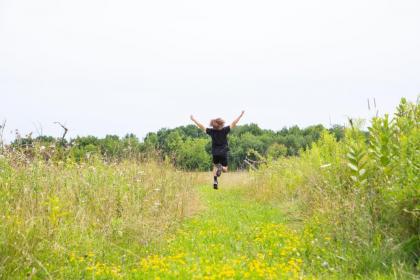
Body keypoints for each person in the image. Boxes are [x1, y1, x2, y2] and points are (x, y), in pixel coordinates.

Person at [190, 111, 245, 189]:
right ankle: (221, 168)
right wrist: (241, 115)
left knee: (215, 166)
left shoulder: (211, 131)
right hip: (223, 152)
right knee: (225, 169)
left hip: (215, 153)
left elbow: (201, 126)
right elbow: (234, 123)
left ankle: (215, 181)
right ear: (221, 124)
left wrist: (193, 119)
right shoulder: (225, 130)